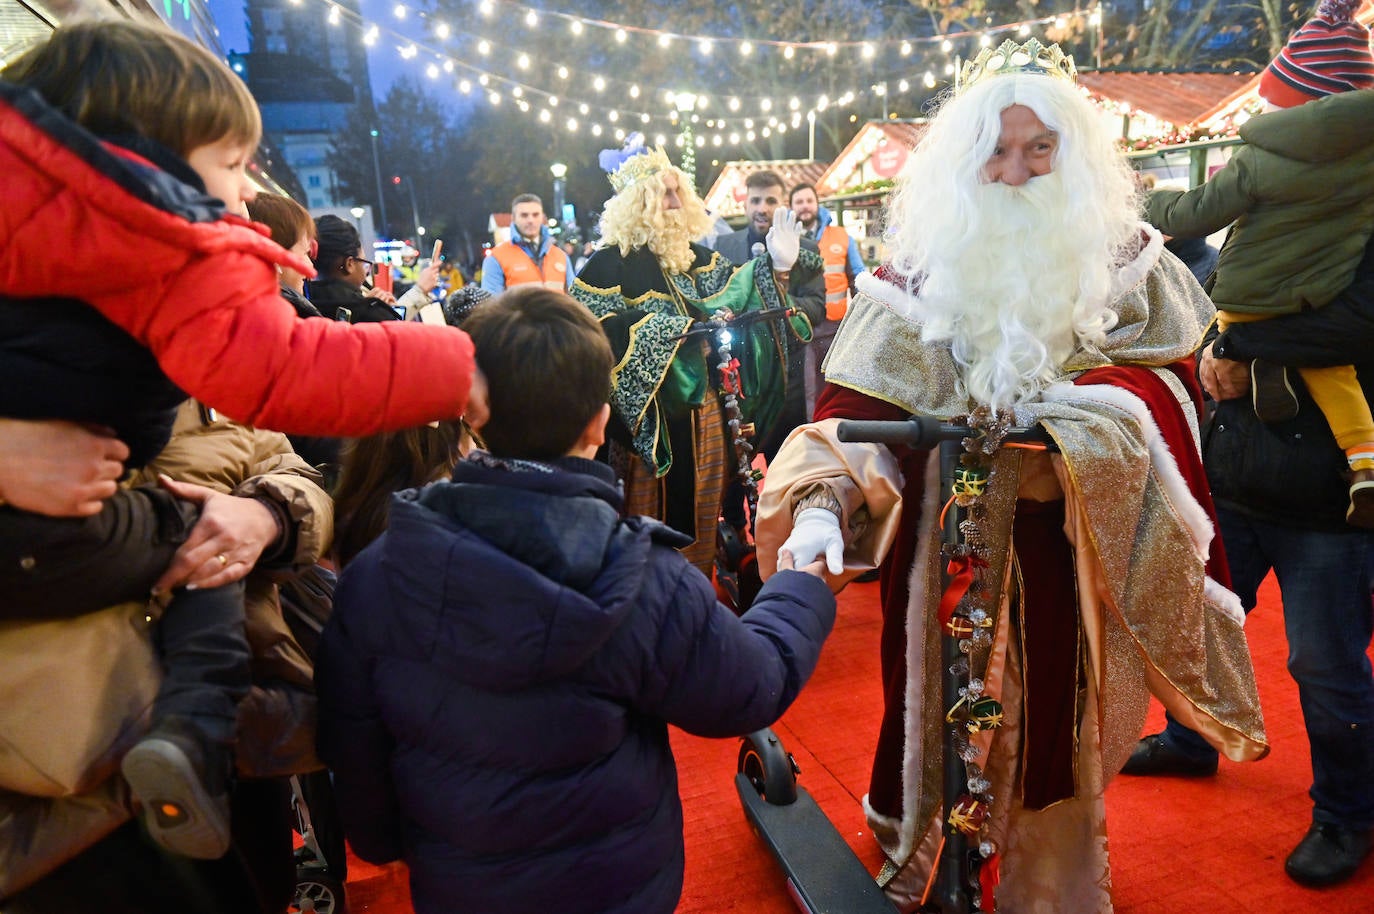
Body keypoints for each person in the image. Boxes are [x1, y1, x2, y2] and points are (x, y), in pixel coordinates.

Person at [754, 39, 1268, 912]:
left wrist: (1082, 419)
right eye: (997, 150)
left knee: (1052, 730)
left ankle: (1042, 884)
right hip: (935, 552)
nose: (1019, 170)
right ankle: (926, 862)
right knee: (924, 712)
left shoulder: (1131, 262)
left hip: (1063, 542)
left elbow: (1174, 386)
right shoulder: (911, 277)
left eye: (1040, 149)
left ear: (1073, 156)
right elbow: (850, 415)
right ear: (963, 159)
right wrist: (819, 505)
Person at [0, 15, 474, 863]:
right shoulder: (179, 272)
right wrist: (463, 373)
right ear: (147, 159)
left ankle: (194, 732)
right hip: (61, 767)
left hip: (173, 765)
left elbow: (289, 461)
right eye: (231, 166)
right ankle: (196, 723)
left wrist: (265, 517)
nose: (250, 193)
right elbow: (296, 369)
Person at [314, 287, 837, 914]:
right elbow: (750, 686)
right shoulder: (641, 574)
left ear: (474, 409)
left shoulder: (377, 574)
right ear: (598, 422)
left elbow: (361, 775)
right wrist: (799, 589)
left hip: (462, 887)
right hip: (615, 889)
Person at [1125, 240, 1374, 887]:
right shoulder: (1272, 207)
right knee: (1197, 628)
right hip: (1233, 478)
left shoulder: (1355, 217)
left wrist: (1239, 348)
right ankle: (1190, 741)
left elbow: (1356, 323)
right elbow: (1217, 299)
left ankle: (1347, 813)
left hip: (1329, 504)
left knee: (1325, 663)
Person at [1144, 0, 1374, 527]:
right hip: (1311, 305)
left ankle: (1270, 374)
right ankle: (1365, 461)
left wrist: (1230, 345)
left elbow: (1195, 214)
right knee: (1334, 378)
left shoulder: (1258, 159)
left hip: (1307, 500)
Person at [571, 139, 817, 576]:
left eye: (677, 192)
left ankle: (695, 593)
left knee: (704, 512)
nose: (675, 201)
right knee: (648, 517)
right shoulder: (609, 264)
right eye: (663, 194)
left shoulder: (697, 260)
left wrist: (775, 268)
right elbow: (585, 333)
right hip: (650, 428)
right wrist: (668, 333)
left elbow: (740, 297)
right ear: (637, 203)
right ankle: (642, 598)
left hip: (707, 415)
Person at [788, 182, 868, 417]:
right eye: (799, 202)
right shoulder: (785, 239)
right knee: (805, 391)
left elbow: (858, 281)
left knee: (832, 387)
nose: (805, 207)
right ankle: (809, 435)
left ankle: (830, 432)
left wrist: (861, 324)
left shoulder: (842, 237)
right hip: (800, 327)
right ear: (791, 207)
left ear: (817, 204)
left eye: (808, 201)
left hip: (835, 328)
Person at [307, 215, 436, 322]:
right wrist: (378, 309)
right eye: (364, 263)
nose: (366, 270)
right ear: (350, 264)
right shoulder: (368, 314)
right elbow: (398, 337)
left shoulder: (302, 306)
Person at [480, 194, 573, 293]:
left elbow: (575, 300)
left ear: (542, 216)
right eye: (524, 215)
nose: (530, 220)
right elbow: (491, 303)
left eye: (535, 215)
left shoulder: (561, 256)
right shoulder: (496, 258)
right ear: (514, 218)